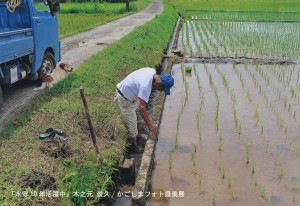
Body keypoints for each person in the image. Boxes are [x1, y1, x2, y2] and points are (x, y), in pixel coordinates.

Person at [115, 67, 174, 152]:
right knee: (132, 124)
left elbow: (141, 107)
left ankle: (139, 135)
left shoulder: (152, 71)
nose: (160, 91)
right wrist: (150, 126)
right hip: (124, 98)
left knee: (140, 118)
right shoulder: (145, 86)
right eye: (162, 89)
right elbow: (141, 107)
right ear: (158, 83)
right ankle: (135, 146)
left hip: (132, 96)